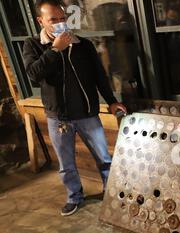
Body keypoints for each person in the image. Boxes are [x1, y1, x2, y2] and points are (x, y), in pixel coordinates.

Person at [22, 0, 127, 216]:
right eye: (53, 20)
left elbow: (99, 76)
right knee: (66, 164)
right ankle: (74, 197)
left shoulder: (82, 45)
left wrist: (111, 100)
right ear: (40, 21)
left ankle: (110, 191)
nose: (61, 23)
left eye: (63, 18)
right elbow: (33, 74)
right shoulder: (32, 45)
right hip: (58, 117)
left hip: (87, 113)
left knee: (104, 158)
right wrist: (54, 50)